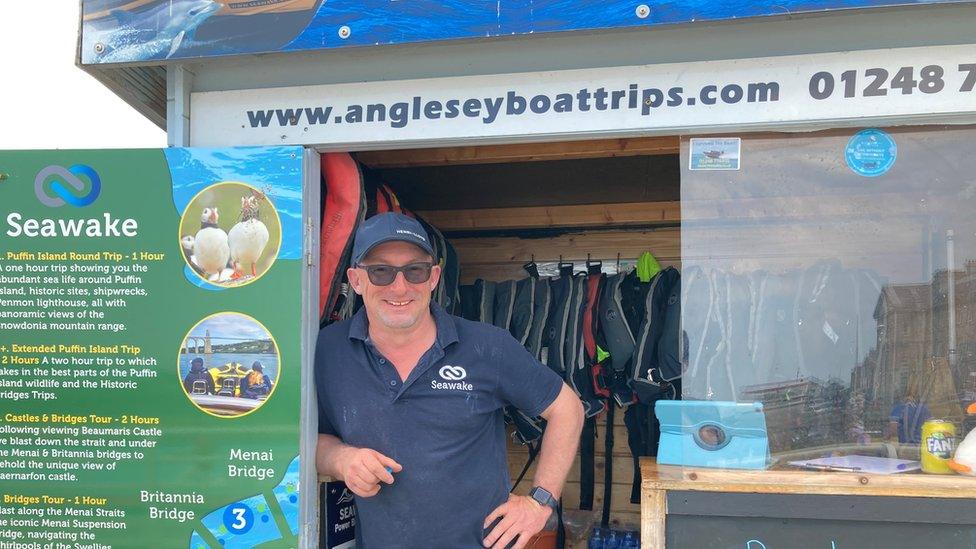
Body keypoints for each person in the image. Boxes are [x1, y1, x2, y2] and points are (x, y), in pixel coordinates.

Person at [315, 212, 584, 549]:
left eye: (415, 270)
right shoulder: (328, 349)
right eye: (381, 271)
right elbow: (313, 440)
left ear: (434, 277)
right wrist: (341, 460)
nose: (400, 287)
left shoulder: (487, 346)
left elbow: (567, 408)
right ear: (356, 280)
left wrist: (540, 501)